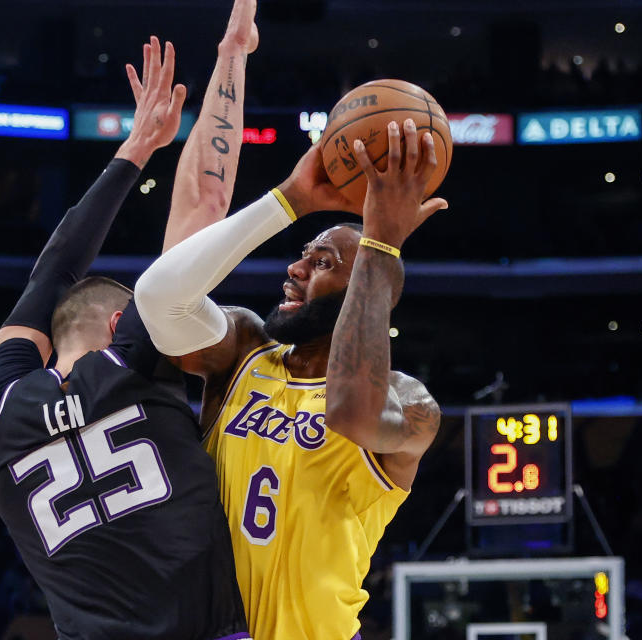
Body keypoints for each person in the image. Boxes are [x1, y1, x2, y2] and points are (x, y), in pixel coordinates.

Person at [0, 1, 259, 635]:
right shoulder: (131, 356)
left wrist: (135, 147)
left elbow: (50, 275)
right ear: (120, 320)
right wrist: (231, 56)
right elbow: (204, 206)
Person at [134, 122, 448, 640]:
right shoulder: (243, 351)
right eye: (303, 254)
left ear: (366, 289)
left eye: (322, 262)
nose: (296, 268)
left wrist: (380, 245)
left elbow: (349, 411)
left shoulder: (408, 402)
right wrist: (289, 199)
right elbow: (158, 299)